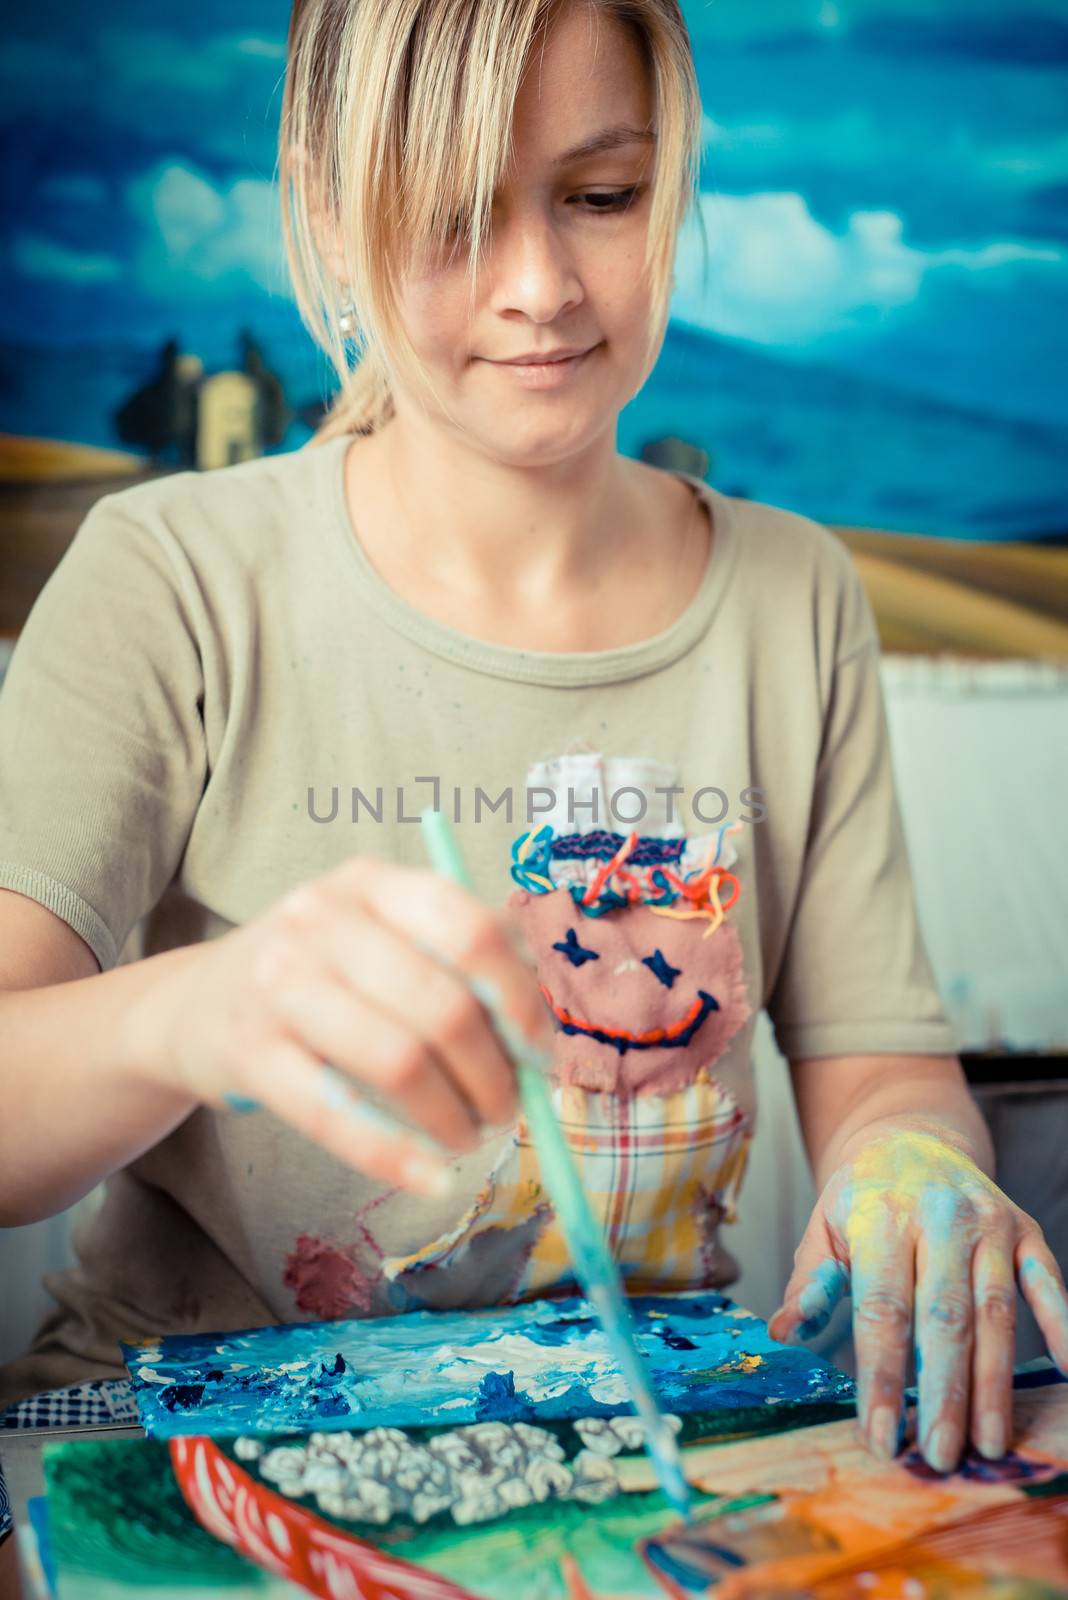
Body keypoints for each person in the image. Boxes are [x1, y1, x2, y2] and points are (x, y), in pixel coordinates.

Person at [1, 1, 1066, 1560]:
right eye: (448, 213)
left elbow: (882, 1074)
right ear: (325, 207)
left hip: (654, 1476)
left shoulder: (793, 596)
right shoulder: (170, 580)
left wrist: (910, 1164)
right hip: (180, 1462)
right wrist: (201, 1008)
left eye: (602, 195)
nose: (540, 287)